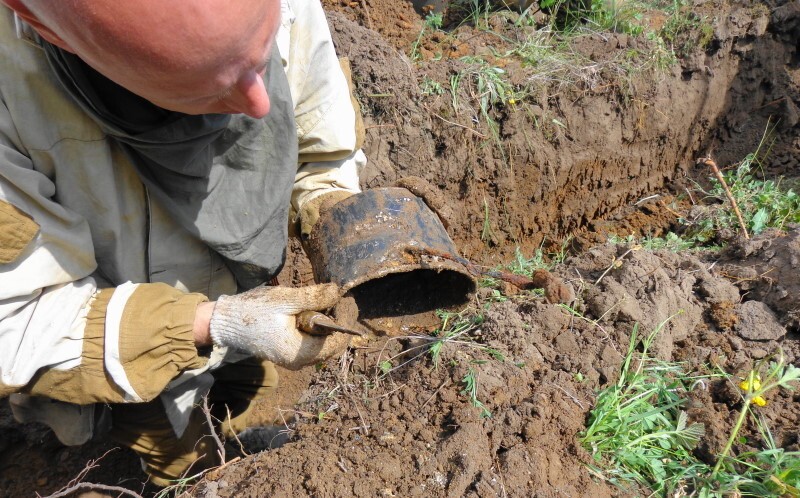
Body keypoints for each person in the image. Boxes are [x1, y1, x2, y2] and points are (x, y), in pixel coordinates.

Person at [0, 0, 364, 485]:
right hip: (121, 348)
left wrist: (331, 206)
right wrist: (212, 323)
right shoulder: (12, 89)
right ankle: (191, 474)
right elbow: (16, 323)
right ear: (52, 28)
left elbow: (320, 125)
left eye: (259, 57)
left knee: (247, 388)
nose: (261, 104)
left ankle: (239, 433)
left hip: (246, 290)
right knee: (177, 446)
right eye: (206, 82)